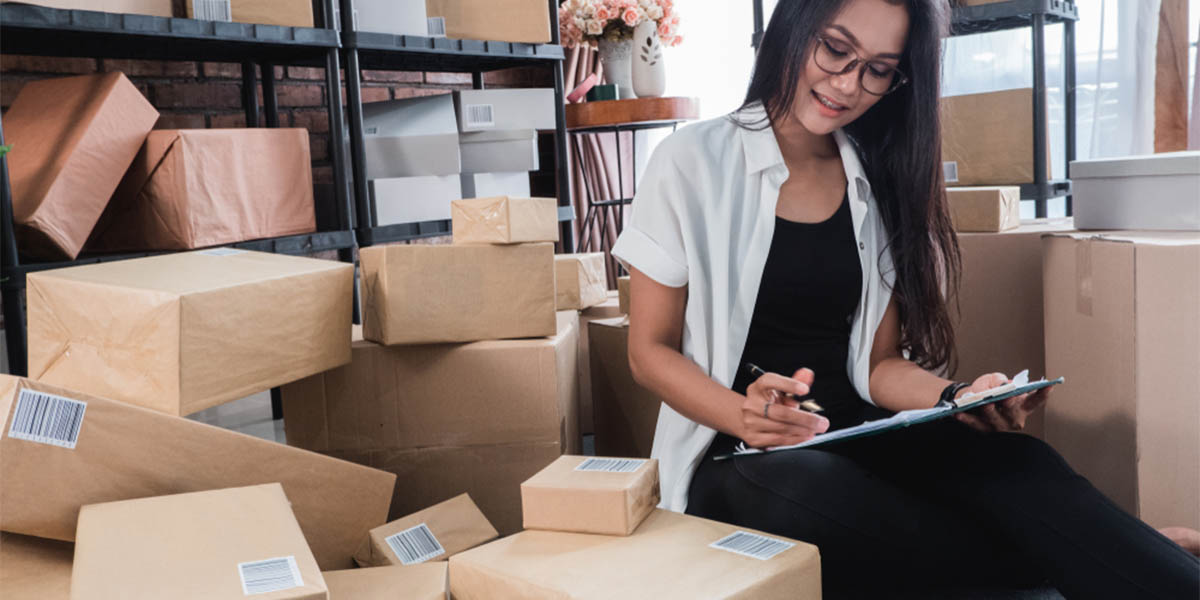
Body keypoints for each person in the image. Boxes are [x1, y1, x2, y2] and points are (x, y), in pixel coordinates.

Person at [610, 0, 1200, 597]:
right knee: (814, 492)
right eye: (836, 49)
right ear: (792, 28)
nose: (848, 84)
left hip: (859, 433)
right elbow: (649, 352)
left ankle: (1126, 559)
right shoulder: (690, 161)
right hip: (743, 453)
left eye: (878, 69)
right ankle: (1129, 551)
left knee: (1020, 463)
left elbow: (876, 364)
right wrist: (745, 414)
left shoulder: (875, 172)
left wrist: (957, 397)